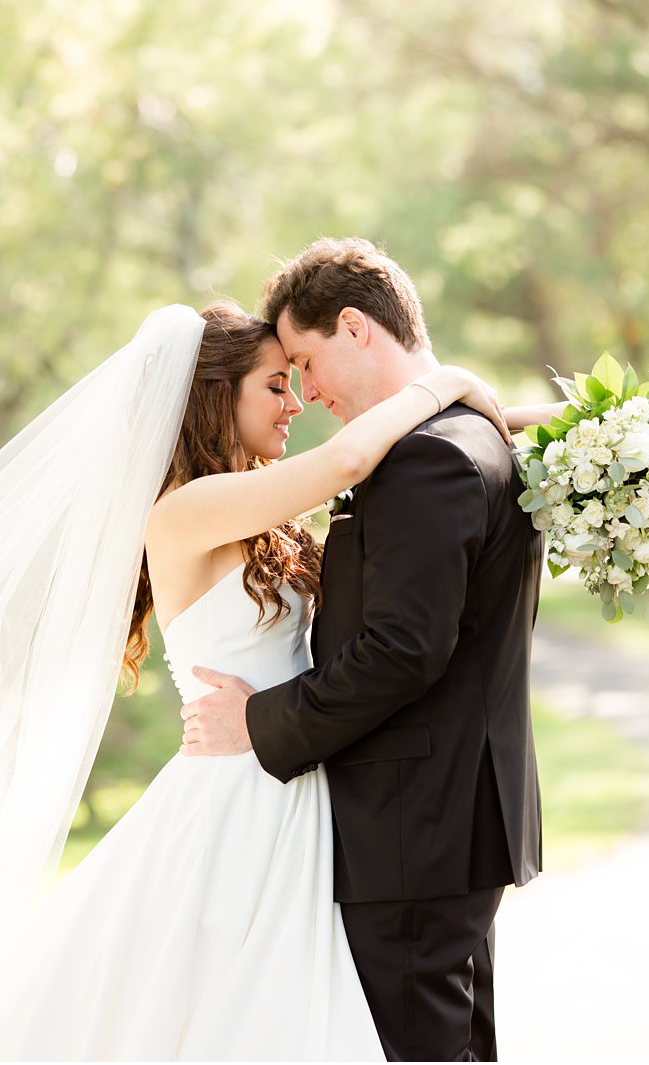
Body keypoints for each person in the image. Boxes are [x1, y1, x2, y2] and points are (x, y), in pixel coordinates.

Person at [0, 295, 526, 1060]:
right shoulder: (186, 510)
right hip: (236, 794)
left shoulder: (261, 511)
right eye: (275, 384)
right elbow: (346, 459)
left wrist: (499, 422)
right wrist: (450, 382)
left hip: (297, 779)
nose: (295, 401)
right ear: (213, 397)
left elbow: (386, 475)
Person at [185, 238, 544, 1061]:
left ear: (356, 327)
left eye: (305, 364)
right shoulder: (462, 438)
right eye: (284, 380)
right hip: (434, 823)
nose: (306, 394)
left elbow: (401, 651)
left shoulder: (428, 460)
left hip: (414, 828)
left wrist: (258, 722)